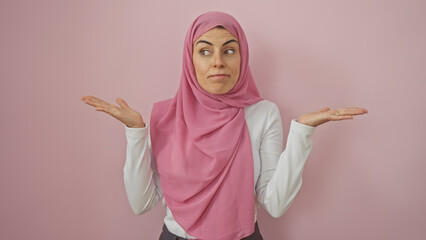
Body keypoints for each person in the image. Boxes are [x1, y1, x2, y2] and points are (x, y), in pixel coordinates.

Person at [81, 11, 367, 240]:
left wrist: (303, 132)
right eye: (204, 52)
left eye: (229, 51)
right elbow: (141, 203)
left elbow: (276, 204)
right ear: (190, 60)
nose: (218, 62)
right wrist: (135, 134)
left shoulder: (262, 114)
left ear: (242, 56)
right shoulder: (164, 116)